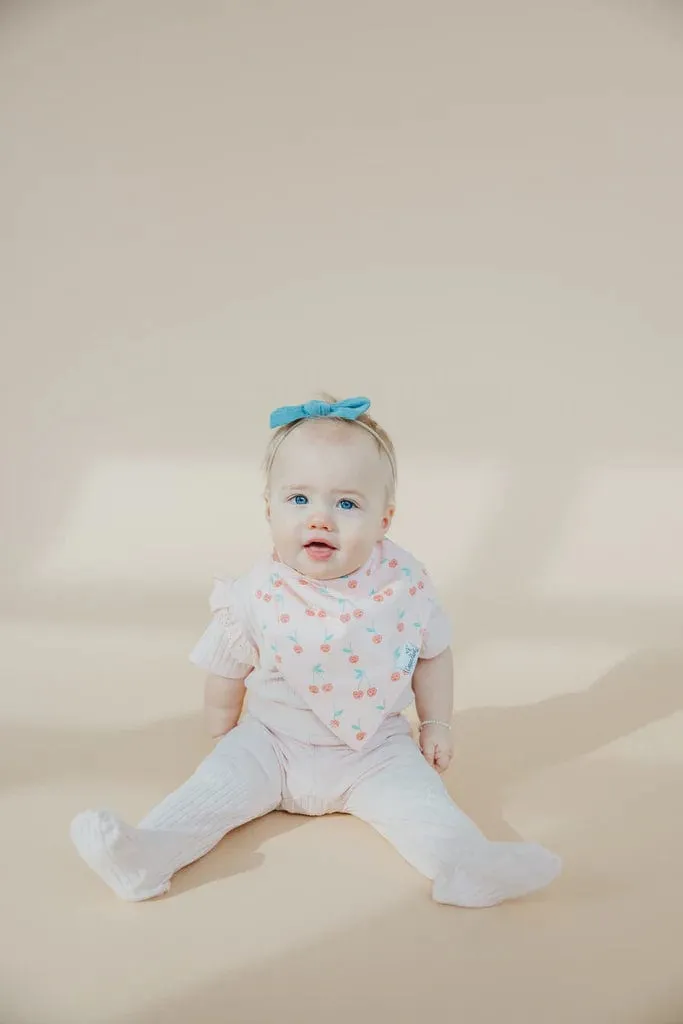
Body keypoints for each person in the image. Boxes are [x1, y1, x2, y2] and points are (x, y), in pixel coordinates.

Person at [70, 395, 561, 906]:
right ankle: (147, 854)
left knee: (424, 807)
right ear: (269, 509)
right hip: (272, 743)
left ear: (385, 520)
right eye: (299, 500)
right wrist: (221, 727)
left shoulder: (403, 587)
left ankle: (467, 866)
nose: (320, 519)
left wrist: (437, 722)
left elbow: (433, 654)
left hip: (374, 749)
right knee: (208, 793)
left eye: (347, 504)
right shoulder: (255, 593)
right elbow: (227, 668)